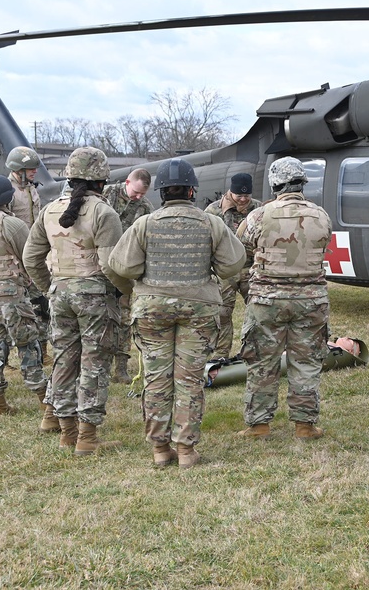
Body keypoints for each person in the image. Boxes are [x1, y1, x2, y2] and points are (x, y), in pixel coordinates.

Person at [108, 159, 244, 468]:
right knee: (189, 379)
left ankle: (159, 449)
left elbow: (121, 265)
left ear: (160, 192)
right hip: (198, 310)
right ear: (192, 190)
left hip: (152, 309)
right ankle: (186, 450)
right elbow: (233, 263)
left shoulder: (145, 223)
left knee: (156, 378)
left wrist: (138, 288)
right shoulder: (211, 223)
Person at [22, 147, 133, 455]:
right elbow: (112, 265)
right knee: (94, 364)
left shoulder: (50, 209)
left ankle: (65, 430)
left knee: (63, 360)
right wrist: (125, 291)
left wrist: (51, 287)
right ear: (102, 179)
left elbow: (31, 258)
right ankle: (86, 437)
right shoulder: (104, 212)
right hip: (95, 296)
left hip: (60, 294)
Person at [235, 157, 332, 441]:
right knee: (307, 361)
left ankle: (259, 426)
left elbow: (242, 249)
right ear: (302, 182)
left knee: (262, 361)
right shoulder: (321, 215)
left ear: (275, 184)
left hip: (267, 301)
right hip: (311, 300)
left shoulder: (258, 216)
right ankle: (305, 426)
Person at [0, 175, 56, 428]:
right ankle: (43, 400)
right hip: (9, 295)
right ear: (7, 198)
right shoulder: (11, 224)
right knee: (28, 344)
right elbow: (30, 257)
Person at [102, 168, 155, 383]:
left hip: (125, 268)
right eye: (136, 192)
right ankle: (101, 365)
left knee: (124, 318)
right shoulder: (106, 196)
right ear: (127, 182)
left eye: (143, 193)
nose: (139, 197)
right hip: (100, 265)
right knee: (102, 317)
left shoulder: (145, 208)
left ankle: (120, 368)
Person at [205, 172, 262, 360]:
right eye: (239, 196)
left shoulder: (259, 209)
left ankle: (256, 349)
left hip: (251, 269)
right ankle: (220, 354)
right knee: (222, 313)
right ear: (231, 192)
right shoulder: (213, 211)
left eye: (247, 196)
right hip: (225, 271)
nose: (244, 200)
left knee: (259, 310)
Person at [6, 146, 51, 365]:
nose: (34, 172)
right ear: (18, 169)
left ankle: (43, 351)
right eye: (30, 168)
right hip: (14, 258)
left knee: (41, 304)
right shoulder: (7, 191)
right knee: (17, 309)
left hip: (32, 254)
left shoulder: (32, 189)